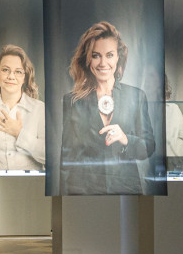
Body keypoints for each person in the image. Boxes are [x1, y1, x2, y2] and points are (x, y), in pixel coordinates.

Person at [59, 21, 155, 196]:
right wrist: (64, 197)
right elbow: (67, 157)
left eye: (109, 55)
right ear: (87, 59)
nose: (103, 63)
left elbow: (148, 147)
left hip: (126, 191)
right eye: (96, 55)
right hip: (84, 192)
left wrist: (126, 139)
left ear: (118, 57)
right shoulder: (72, 101)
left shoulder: (136, 96)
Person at [0, 45, 45, 172]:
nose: (11, 76)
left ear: (25, 77)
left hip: (30, 184)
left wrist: (19, 133)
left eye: (18, 71)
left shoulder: (39, 109)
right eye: (5, 70)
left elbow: (48, 156)